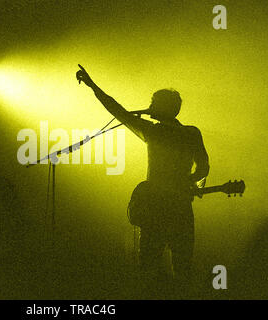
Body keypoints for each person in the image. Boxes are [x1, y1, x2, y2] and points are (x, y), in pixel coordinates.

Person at [76, 64, 210, 297]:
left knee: (148, 268)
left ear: (165, 108)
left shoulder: (153, 131)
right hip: (180, 207)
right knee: (182, 268)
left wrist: (92, 85)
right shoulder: (191, 133)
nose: (149, 107)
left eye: (153, 103)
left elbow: (117, 110)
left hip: (155, 207)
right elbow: (204, 168)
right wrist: (189, 182)